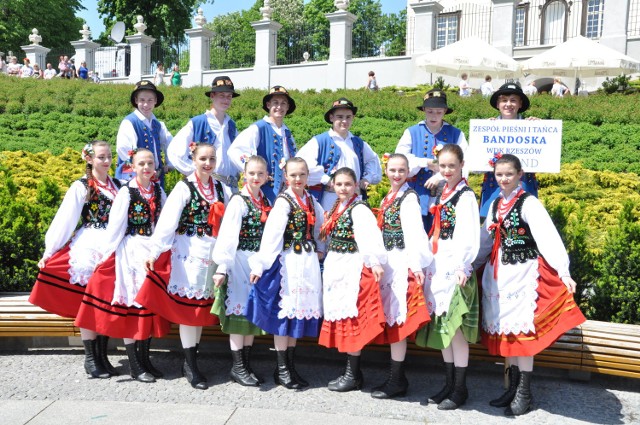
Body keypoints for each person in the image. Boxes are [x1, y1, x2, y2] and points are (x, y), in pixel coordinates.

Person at [474, 153, 585, 416]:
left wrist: (563, 270)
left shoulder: (529, 203)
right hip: (499, 275)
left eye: (508, 174)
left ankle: (525, 392)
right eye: (499, 175)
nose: (503, 179)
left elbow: (547, 237)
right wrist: (471, 265)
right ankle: (512, 388)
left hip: (523, 274)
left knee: (522, 334)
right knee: (507, 332)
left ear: (519, 175)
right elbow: (485, 241)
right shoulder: (494, 205)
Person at [75, 148, 170, 384]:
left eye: (150, 163)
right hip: (131, 251)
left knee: (148, 305)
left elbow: (166, 223)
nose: (146, 168)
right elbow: (116, 227)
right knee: (133, 305)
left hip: (151, 250)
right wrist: (105, 256)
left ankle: (145, 359)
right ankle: (135, 365)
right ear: (132, 167)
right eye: (142, 164)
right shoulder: (126, 192)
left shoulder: (158, 190)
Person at [29, 141, 121, 379]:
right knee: (89, 301)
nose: (107, 161)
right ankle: (91, 359)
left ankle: (102, 356)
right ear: (89, 159)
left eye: (109, 156)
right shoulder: (81, 186)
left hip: (113, 245)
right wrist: (49, 251)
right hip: (90, 243)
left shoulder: (118, 185)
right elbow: (65, 220)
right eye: (101, 157)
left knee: (105, 301)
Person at [139, 143, 226, 390]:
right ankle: (190, 364)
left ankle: (192, 361)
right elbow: (167, 222)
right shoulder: (184, 187)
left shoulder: (220, 188)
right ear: (193, 159)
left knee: (199, 311)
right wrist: (155, 250)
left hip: (211, 254)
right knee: (190, 312)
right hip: (188, 254)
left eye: (211, 158)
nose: (207, 163)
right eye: (203, 159)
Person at [245, 157, 325, 390]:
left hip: (307, 263)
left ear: (308, 175)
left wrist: (321, 248)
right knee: (286, 314)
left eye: (302, 174)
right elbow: (271, 236)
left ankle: (289, 366)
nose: (298, 179)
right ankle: (281, 369)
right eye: (293, 175)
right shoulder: (283, 202)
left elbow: (319, 227)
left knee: (297, 314)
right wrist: (260, 266)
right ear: (286, 177)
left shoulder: (310, 200)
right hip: (289, 263)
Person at [415, 144, 480, 410]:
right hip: (440, 265)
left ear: (462, 165)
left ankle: (460, 387)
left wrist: (463, 266)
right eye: (442, 166)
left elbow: (469, 234)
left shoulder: (465, 196)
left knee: (455, 331)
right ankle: (449, 383)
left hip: (455, 267)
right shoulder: (445, 193)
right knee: (444, 326)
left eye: (451, 166)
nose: (447, 170)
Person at [318, 167, 387, 393]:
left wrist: (374, 261)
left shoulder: (359, 209)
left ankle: (353, 374)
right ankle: (351, 372)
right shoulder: (337, 206)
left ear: (356, 185)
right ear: (333, 186)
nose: (343, 188)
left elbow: (368, 237)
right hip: (337, 267)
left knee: (352, 320)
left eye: (348, 184)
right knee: (344, 317)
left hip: (351, 267)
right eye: (339, 184)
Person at [369, 153, 432, 399]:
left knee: (398, 320)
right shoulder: (389, 197)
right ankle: (396, 376)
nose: (396, 174)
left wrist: (415, 265)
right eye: (393, 170)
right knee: (393, 319)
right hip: (389, 261)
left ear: (408, 173)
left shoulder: (408, 198)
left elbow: (415, 232)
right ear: (386, 171)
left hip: (402, 261)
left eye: (401, 171)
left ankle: (397, 379)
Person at [211, 156, 272, 387]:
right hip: (239, 262)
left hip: (255, 263)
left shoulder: (264, 199)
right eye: (252, 173)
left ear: (267, 176)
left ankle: (245, 364)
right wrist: (223, 267)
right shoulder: (239, 201)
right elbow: (228, 235)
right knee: (238, 314)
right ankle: (237, 367)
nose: (256, 178)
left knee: (250, 315)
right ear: (244, 175)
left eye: (260, 174)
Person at [395, 89, 468, 232]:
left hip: (447, 193)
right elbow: (400, 159)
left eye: (439, 112)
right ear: (423, 110)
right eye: (430, 111)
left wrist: (441, 175)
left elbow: (465, 163)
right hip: (417, 192)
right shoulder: (412, 132)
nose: (434, 116)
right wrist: (426, 163)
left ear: (445, 111)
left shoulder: (456, 134)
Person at [297, 97, 382, 211]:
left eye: (348, 117)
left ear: (353, 118)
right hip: (329, 198)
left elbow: (372, 160)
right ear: (331, 117)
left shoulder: (358, 143)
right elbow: (302, 164)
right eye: (340, 117)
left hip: (354, 197)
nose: (344, 121)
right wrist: (325, 179)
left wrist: (367, 178)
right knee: (329, 226)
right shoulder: (320, 141)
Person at [169, 76, 240, 200]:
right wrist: (198, 172)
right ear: (212, 96)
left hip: (230, 187)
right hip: (207, 186)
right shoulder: (198, 123)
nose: (226, 100)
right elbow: (174, 152)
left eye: (229, 96)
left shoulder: (231, 126)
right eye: (222, 95)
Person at [228, 86, 298, 204]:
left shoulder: (287, 133)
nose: (279, 107)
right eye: (275, 103)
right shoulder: (258, 128)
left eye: (283, 103)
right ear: (268, 105)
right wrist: (255, 173)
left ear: (287, 107)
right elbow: (235, 150)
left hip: (285, 193)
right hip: (263, 192)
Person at [479, 83, 538, 218]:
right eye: (504, 100)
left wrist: (540, 128)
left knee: (522, 227)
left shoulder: (533, 127)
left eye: (513, 100)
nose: (508, 104)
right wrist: (482, 133)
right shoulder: (486, 127)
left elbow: (543, 159)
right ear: (498, 104)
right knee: (492, 228)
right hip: (494, 187)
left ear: (520, 104)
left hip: (523, 185)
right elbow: (477, 166)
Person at [115, 80, 173, 188]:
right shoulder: (129, 122)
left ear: (155, 101)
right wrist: (144, 170)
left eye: (150, 100)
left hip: (155, 179)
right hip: (134, 180)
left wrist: (169, 164)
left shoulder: (157, 124)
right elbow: (124, 150)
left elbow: (170, 144)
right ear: (136, 100)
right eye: (142, 100)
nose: (146, 104)